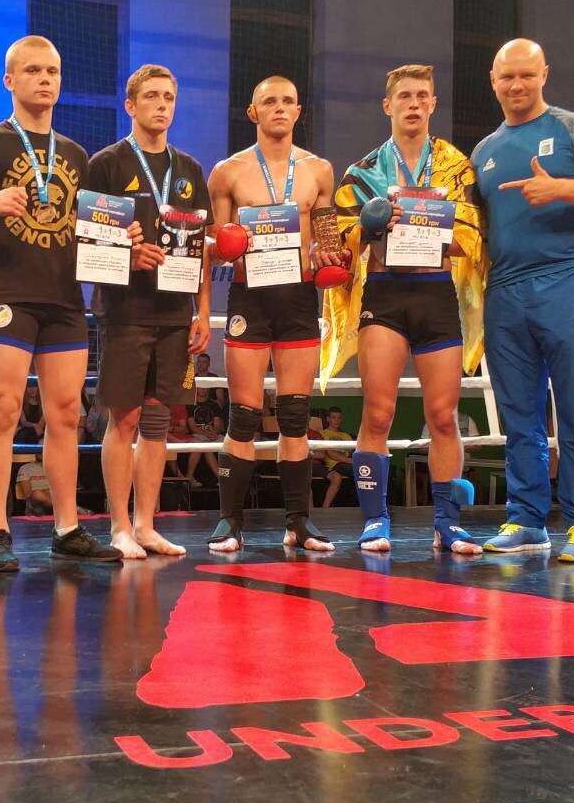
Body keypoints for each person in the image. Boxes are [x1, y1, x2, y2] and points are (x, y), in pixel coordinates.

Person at [0, 35, 126, 571]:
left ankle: (66, 528)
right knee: (3, 407)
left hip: (64, 298)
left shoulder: (75, 154)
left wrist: (126, 243)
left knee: (66, 414)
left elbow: (93, 231)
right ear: (10, 80)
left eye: (52, 71)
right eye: (33, 71)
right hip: (7, 294)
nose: (44, 79)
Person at [470, 39, 574, 563]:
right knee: (519, 415)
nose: (517, 85)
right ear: (493, 81)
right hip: (504, 289)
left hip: (566, 279)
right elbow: (477, 229)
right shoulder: (483, 151)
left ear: (544, 74)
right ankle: (526, 520)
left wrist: (561, 188)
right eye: (507, 76)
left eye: (526, 74)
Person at [319, 64, 487, 555]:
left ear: (433, 104)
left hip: (435, 293)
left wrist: (428, 228)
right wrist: (370, 225)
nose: (413, 104)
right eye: (404, 96)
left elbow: (474, 237)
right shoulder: (363, 172)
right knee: (378, 413)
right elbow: (341, 246)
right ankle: (375, 521)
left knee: (443, 416)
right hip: (385, 294)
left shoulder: (457, 166)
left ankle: (447, 525)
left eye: (421, 96)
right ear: (387, 105)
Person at [206, 76, 337, 552]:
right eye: (269, 102)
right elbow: (215, 246)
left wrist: (329, 256)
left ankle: (298, 522)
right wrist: (227, 244)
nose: (279, 108)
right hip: (250, 297)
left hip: (298, 297)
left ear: (298, 111)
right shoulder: (227, 173)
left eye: (287, 102)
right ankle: (229, 522)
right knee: (243, 415)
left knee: (296, 415)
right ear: (253, 112)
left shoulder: (319, 170)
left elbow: (327, 239)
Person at [89, 64, 212, 559]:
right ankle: (118, 526)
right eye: (152, 97)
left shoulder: (190, 169)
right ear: (131, 105)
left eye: (169, 98)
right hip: (125, 310)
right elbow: (90, 244)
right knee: (124, 419)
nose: (162, 105)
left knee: (159, 421)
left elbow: (202, 248)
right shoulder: (106, 163)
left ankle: (146, 525)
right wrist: (128, 254)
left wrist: (203, 311)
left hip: (176, 311)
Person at [318, 407, 353, 509]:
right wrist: (351, 461)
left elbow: (354, 452)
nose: (337, 420)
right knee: (357, 469)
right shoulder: (322, 433)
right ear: (328, 419)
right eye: (333, 417)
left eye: (339, 418)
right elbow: (330, 453)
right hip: (334, 465)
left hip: (348, 463)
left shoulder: (346, 436)